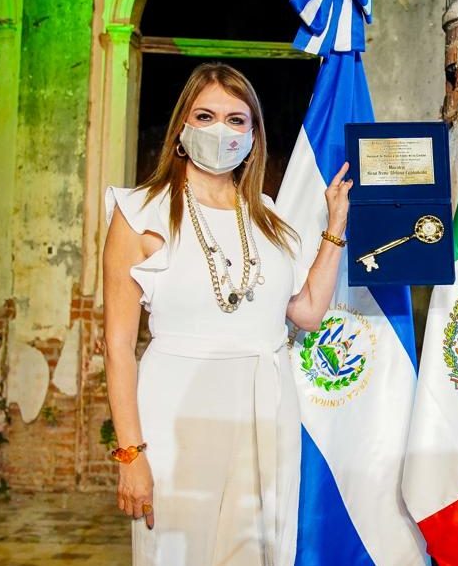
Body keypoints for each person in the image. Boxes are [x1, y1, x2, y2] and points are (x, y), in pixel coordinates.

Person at [103, 63, 351, 565]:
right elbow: (117, 346)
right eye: (207, 115)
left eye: (237, 120)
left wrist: (335, 229)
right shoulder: (139, 213)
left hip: (265, 411)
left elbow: (304, 312)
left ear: (254, 136)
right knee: (176, 550)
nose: (222, 130)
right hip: (177, 415)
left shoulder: (269, 216)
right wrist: (131, 454)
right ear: (182, 129)